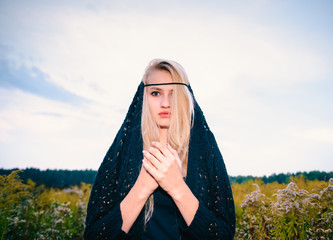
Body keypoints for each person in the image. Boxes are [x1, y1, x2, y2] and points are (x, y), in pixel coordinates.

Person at [84, 59, 235, 240]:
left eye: (174, 94)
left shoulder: (206, 158)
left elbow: (223, 235)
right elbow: (94, 235)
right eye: (155, 93)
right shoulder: (120, 158)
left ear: (185, 99)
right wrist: (142, 187)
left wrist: (177, 187)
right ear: (143, 98)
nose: (165, 103)